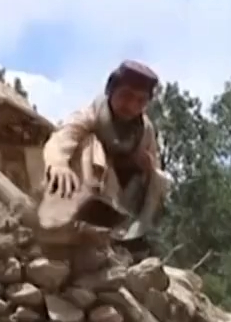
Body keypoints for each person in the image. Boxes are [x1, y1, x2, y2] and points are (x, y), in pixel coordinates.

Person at [41, 61, 169, 251]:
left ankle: (131, 235)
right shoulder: (91, 114)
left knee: (161, 179)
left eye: (140, 101)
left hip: (125, 198)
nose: (132, 106)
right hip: (89, 188)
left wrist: (148, 169)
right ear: (111, 90)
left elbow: (154, 173)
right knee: (89, 143)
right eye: (126, 96)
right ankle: (86, 212)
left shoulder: (145, 131)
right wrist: (59, 164)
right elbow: (63, 137)